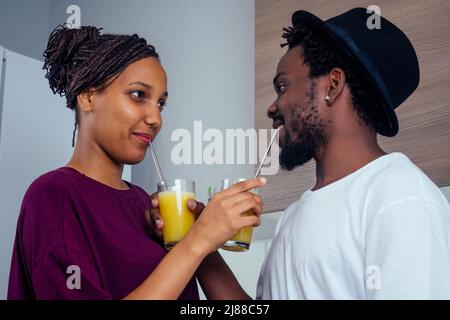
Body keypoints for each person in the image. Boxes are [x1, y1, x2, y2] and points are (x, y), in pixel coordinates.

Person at [7, 25, 265, 300]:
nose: (156, 118)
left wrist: (204, 243)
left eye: (161, 103)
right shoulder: (53, 196)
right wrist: (197, 241)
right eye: (138, 95)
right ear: (88, 96)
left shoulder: (148, 207)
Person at [255, 8, 450, 299]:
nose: (272, 107)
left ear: (332, 86)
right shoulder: (292, 216)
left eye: (283, 87)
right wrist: (201, 245)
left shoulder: (401, 198)